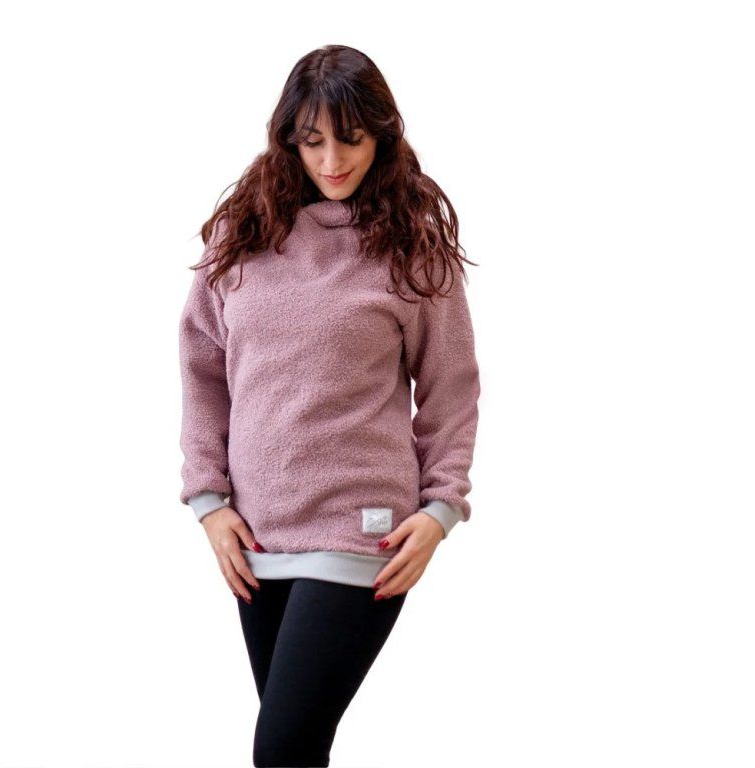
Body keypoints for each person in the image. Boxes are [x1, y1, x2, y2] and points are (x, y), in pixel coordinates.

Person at [177, 44, 480, 768]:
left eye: (351, 138)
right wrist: (208, 501)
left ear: (383, 135)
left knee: (282, 750)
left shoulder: (412, 250)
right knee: (297, 753)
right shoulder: (241, 238)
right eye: (312, 141)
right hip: (256, 536)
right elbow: (202, 370)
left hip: (362, 531)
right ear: (288, 139)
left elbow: (451, 386)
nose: (332, 160)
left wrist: (440, 509)